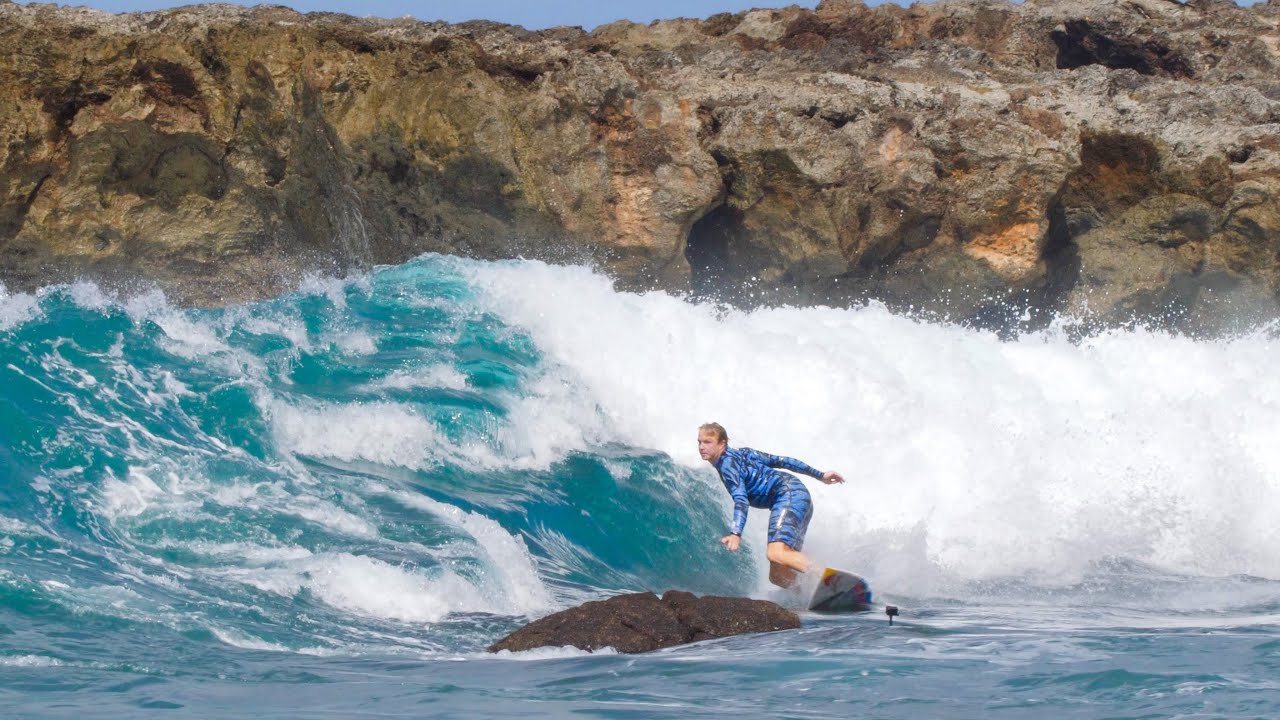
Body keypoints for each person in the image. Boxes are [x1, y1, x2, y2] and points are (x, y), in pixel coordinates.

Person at [697, 422, 844, 588]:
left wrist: (735, 533)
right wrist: (820, 475)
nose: (702, 447)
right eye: (699, 442)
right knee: (778, 575)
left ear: (722, 443)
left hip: (788, 496)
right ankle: (809, 591)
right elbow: (782, 461)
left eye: (707, 442)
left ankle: (834, 580)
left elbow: (741, 499)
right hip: (799, 495)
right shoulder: (743, 453)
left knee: (776, 553)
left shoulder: (727, 465)